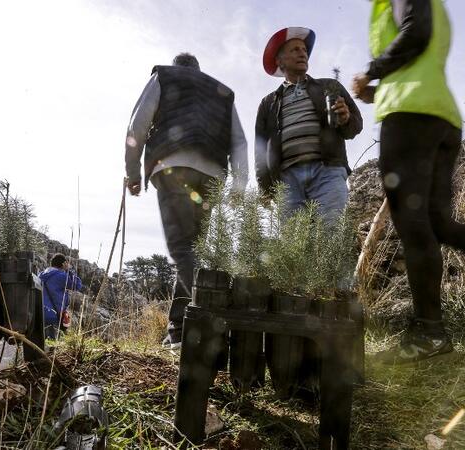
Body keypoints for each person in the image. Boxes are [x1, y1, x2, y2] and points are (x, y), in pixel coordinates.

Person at [351, 0, 465, 363]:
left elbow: (417, 32)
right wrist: (378, 92)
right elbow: (419, 56)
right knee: (439, 225)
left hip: (411, 118)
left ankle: (429, 332)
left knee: (412, 225)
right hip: (439, 116)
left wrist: (371, 71)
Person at [125, 53, 248, 349]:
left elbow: (138, 123)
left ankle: (217, 317)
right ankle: (178, 330)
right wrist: (239, 185)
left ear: (178, 66)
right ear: (198, 69)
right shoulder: (222, 92)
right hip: (211, 176)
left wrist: (132, 171)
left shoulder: (165, 76)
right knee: (192, 251)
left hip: (172, 167)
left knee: (182, 249)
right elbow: (239, 140)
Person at [255, 27, 363, 223]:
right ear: (280, 61)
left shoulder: (330, 86)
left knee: (332, 237)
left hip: (327, 172)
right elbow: (260, 149)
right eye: (295, 49)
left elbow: (356, 126)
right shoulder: (267, 103)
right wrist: (265, 189)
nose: (302, 53)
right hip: (287, 182)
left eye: (304, 49)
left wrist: (346, 119)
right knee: (294, 248)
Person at [39, 253, 83, 340]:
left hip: (39, 314)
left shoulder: (41, 274)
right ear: (63, 264)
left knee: (41, 345)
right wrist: (69, 270)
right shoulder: (61, 276)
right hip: (54, 316)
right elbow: (77, 285)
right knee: (53, 347)